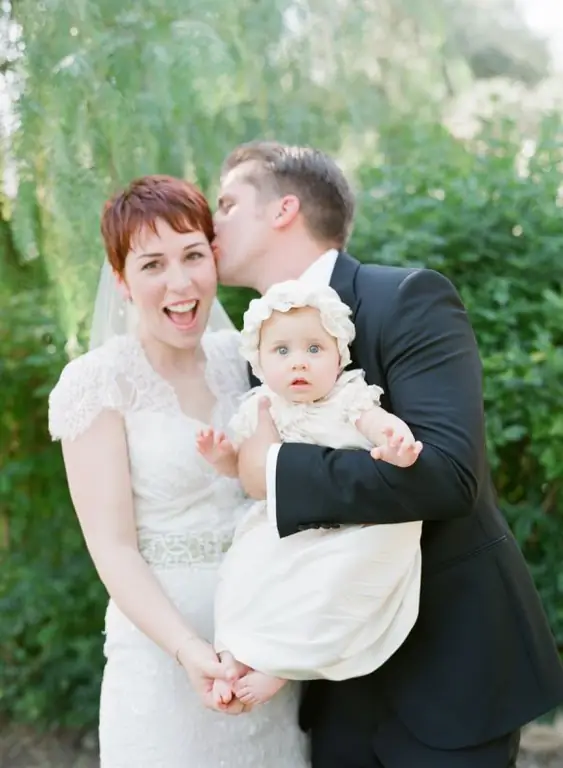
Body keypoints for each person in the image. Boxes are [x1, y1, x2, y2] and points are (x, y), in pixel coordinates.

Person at [213, 140, 563, 768]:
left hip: (448, 672)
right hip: (334, 679)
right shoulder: (256, 351)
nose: (213, 223)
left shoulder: (407, 297)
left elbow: (447, 477)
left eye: (228, 203)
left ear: (283, 210)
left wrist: (273, 472)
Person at [47, 175, 309, 768]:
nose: (180, 282)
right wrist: (190, 651)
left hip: (263, 653)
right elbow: (113, 550)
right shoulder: (96, 383)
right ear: (121, 279)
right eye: (152, 264)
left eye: (193, 255)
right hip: (164, 663)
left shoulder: (245, 356)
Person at [196, 279, 423, 707]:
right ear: (260, 363)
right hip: (290, 523)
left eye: (314, 349)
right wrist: (221, 456)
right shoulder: (261, 407)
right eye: (282, 351)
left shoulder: (347, 397)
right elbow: (246, 472)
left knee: (331, 588)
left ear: (339, 357)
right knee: (243, 571)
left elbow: (376, 424)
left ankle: (280, 664)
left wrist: (395, 442)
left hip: (357, 523)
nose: (298, 363)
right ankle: (231, 659)